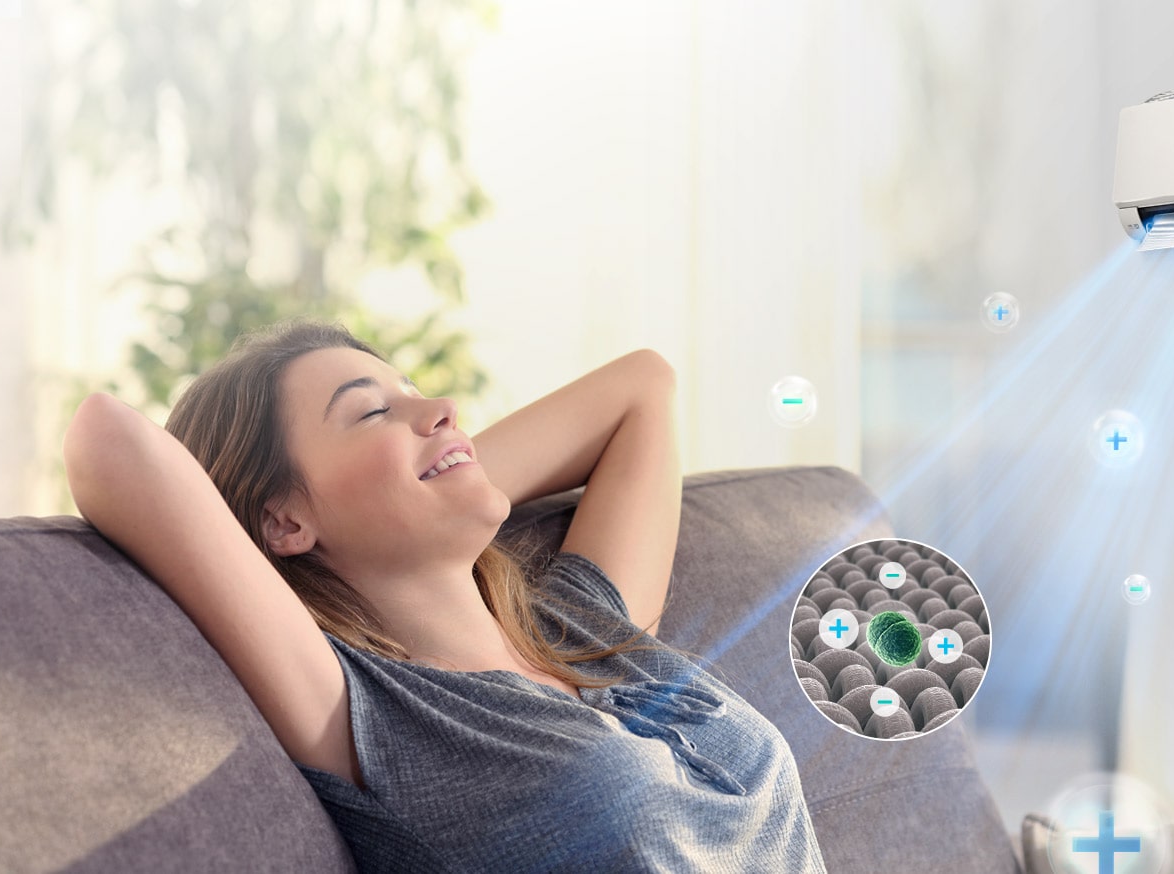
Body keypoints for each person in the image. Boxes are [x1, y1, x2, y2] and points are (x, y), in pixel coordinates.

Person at [61, 318, 827, 873]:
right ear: (283, 519)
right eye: (370, 411)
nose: (442, 410)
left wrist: (437, 463)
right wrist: (425, 478)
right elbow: (105, 439)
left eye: (419, 393)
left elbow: (643, 385)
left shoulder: (582, 626)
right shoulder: (371, 709)